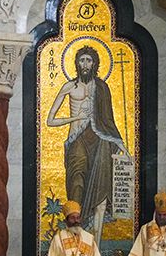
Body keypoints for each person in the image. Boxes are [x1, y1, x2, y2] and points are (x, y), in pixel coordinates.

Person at [46, 45, 128, 233]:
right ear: (76, 63)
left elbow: (108, 121)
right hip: (77, 140)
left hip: (100, 142)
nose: (85, 64)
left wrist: (122, 146)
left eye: (88, 60)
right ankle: (74, 233)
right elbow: (50, 121)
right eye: (82, 60)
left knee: (100, 188)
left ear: (94, 64)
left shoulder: (102, 87)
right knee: (76, 183)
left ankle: (94, 241)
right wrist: (75, 118)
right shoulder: (69, 87)